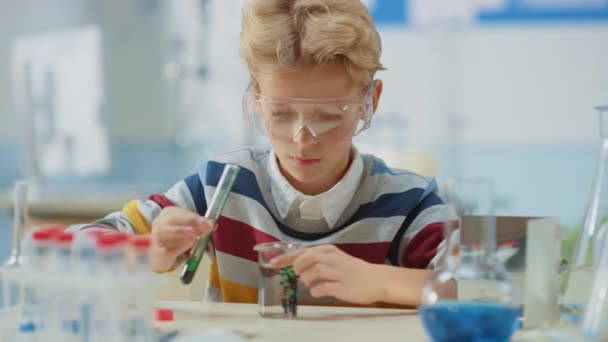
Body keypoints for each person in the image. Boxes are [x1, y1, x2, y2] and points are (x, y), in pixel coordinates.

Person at [71, 0, 457, 307]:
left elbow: (483, 288)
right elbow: (80, 243)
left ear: (368, 101)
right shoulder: (220, 185)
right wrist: (148, 249)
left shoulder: (410, 204)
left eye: (328, 116)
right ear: (256, 97)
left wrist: (379, 281)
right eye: (282, 114)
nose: (302, 139)